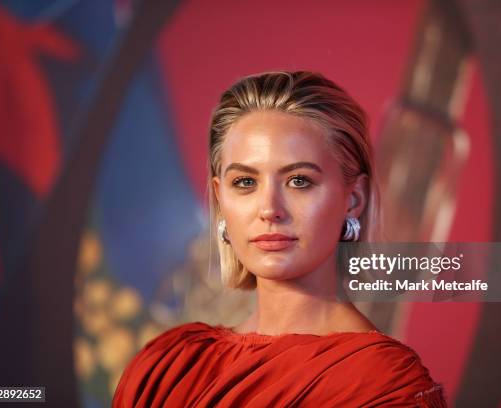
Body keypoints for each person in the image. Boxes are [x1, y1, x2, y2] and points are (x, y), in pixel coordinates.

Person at [112, 71, 446, 407]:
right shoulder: (166, 366)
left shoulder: (385, 386)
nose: (269, 209)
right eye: (245, 182)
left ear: (354, 198)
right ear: (220, 198)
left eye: (299, 181)